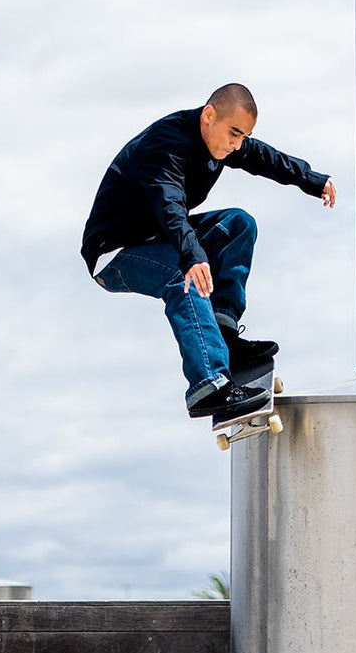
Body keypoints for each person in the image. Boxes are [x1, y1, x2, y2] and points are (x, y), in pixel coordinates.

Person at [82, 82, 336, 420]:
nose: (236, 145)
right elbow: (169, 205)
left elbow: (265, 158)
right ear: (209, 115)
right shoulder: (166, 145)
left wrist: (313, 180)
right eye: (233, 133)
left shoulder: (223, 142)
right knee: (181, 275)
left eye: (242, 137)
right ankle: (208, 385)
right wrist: (193, 255)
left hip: (159, 239)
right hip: (114, 252)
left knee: (238, 224)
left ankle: (225, 335)